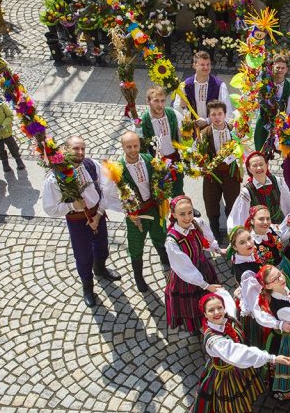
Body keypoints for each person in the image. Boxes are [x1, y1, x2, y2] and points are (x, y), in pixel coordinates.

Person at [191, 293, 288, 413]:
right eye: (211, 310)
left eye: (219, 308)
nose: (217, 312)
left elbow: (228, 299)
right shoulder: (214, 341)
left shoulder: (228, 319)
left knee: (246, 391)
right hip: (227, 373)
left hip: (242, 366)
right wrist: (271, 358)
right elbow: (237, 353)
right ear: (204, 314)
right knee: (236, 397)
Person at [41, 135, 121, 307]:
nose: (80, 152)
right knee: (83, 255)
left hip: (97, 215)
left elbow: (106, 188)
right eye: (76, 148)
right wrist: (71, 205)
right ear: (65, 149)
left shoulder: (91, 165)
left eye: (83, 148)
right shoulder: (55, 178)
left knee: (102, 245)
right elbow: (50, 209)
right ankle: (88, 286)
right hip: (77, 221)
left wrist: (98, 215)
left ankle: (100, 268)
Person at [103, 131, 169, 292]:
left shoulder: (148, 159)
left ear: (139, 144)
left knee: (161, 235)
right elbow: (107, 196)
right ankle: (139, 277)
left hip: (153, 208)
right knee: (136, 246)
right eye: (129, 147)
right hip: (135, 216)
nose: (133, 150)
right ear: (123, 147)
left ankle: (166, 261)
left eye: (135, 146)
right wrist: (128, 211)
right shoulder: (117, 169)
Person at [164, 195, 223, 334]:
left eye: (190, 212)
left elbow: (206, 240)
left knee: (209, 300)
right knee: (191, 305)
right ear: (173, 215)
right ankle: (197, 329)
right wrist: (206, 286)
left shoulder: (196, 223)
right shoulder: (172, 241)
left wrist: (218, 249)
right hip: (186, 277)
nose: (187, 218)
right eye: (182, 214)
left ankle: (212, 321)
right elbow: (184, 269)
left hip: (203, 267)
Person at [249, 265, 290, 401]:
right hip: (284, 340)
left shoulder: (282, 289)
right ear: (268, 286)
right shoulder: (281, 308)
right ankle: (281, 392)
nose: (281, 278)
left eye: (280, 274)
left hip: (287, 331)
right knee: (284, 363)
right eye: (275, 279)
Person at [196, 100, 243, 243]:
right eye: (213, 114)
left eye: (220, 114)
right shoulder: (203, 133)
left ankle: (232, 231)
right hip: (212, 175)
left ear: (225, 114)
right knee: (211, 202)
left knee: (233, 202)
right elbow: (196, 153)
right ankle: (215, 231)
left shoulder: (234, 131)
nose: (217, 117)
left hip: (230, 173)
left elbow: (240, 151)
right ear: (209, 116)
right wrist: (201, 164)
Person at [227, 151, 290, 230]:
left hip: (280, 226)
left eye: (261, 164)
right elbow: (240, 216)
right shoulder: (247, 191)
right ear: (249, 169)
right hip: (260, 230)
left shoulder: (278, 181)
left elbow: (288, 203)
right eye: (254, 165)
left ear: (267, 165)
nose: (259, 168)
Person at [139, 86, 184, 197]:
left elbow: (183, 134)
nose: (160, 105)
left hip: (174, 158)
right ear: (148, 101)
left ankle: (181, 206)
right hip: (157, 163)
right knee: (161, 191)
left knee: (178, 184)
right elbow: (141, 148)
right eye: (156, 101)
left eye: (163, 101)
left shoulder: (173, 114)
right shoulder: (142, 122)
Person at [227, 225, 265, 349]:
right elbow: (255, 298)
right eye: (242, 242)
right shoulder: (247, 274)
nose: (249, 243)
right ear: (234, 247)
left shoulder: (241, 255)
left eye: (249, 238)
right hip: (255, 302)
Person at [255, 54, 290, 152]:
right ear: (272, 67)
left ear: (287, 69)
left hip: (281, 125)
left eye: (283, 68)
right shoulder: (264, 83)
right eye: (277, 67)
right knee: (260, 151)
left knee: (284, 152)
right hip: (263, 121)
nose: (280, 70)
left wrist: (282, 125)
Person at [174, 50, 232, 121]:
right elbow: (177, 111)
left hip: (213, 127)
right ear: (194, 66)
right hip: (193, 128)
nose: (206, 67)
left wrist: (207, 121)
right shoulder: (185, 85)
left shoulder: (219, 85)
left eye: (208, 64)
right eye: (202, 65)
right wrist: (182, 106)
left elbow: (226, 111)